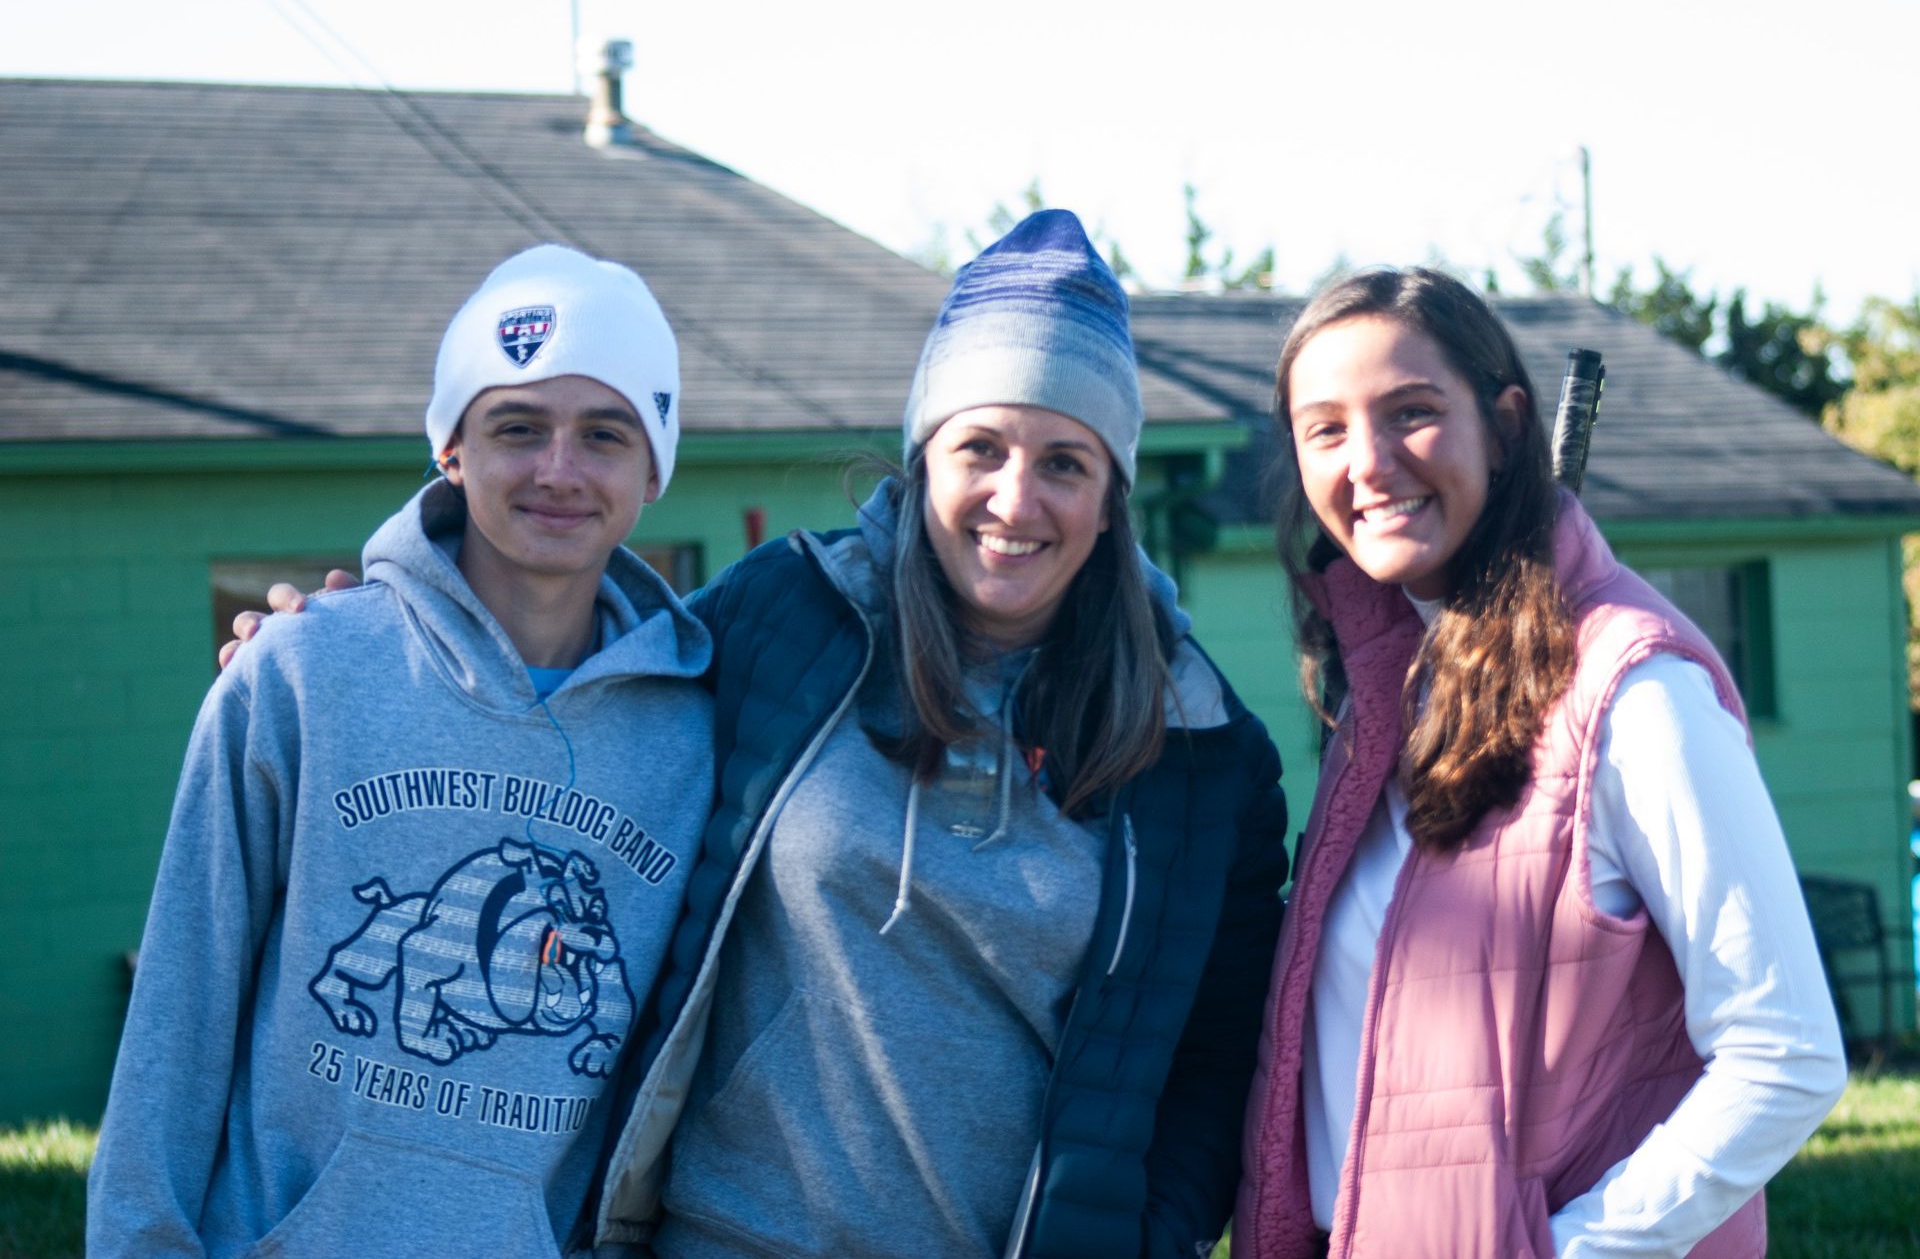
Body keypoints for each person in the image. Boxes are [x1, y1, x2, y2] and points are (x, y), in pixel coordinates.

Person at [221, 211, 1288, 1256]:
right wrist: (362, 638)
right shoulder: (794, 616)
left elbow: (1211, 1059)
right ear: (924, 464)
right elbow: (573, 687)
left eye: (1065, 461)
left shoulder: (1197, 751)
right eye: (981, 447)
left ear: (1111, 498)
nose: (1016, 496)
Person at [89, 245, 715, 1256]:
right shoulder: (299, 673)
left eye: (603, 433)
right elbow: (178, 1011)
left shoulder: (702, 729)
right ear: (451, 449)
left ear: (653, 467)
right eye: (517, 427)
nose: (559, 468)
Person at [1233, 268, 1847, 1258]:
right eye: (1327, 429)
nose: (1371, 462)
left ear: (1507, 424)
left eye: (1412, 413)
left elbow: (1786, 1055)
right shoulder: (1390, 693)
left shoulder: (1635, 688)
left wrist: (1568, 1251)